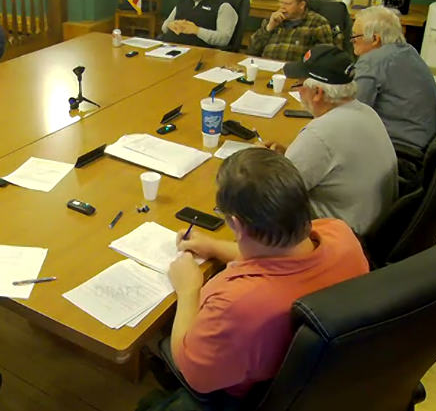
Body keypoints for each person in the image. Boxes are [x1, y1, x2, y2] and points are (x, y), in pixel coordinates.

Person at [142, 148, 368, 409]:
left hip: (241, 397)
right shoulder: (340, 235)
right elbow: (282, 253)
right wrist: (215, 246)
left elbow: (195, 375)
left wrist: (188, 290)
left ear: (237, 225)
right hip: (325, 380)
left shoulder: (237, 303)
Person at [258, 44, 397, 235]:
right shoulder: (366, 111)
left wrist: (258, 164)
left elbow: (269, 198)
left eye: (299, 84)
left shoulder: (319, 135)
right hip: (374, 225)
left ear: (318, 93)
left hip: (340, 238)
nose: (298, 91)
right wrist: (287, 157)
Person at [352, 6, 436, 152]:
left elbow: (352, 111)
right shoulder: (408, 51)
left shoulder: (373, 61)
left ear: (375, 39)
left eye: (355, 36)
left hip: (403, 149)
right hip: (427, 140)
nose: (352, 41)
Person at [248, 0, 334, 62]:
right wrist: (268, 29)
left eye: (287, 3)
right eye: (281, 2)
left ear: (301, 5)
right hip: (266, 68)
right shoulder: (272, 19)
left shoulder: (318, 24)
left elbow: (325, 59)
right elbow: (252, 51)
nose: (282, 7)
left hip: (295, 71)